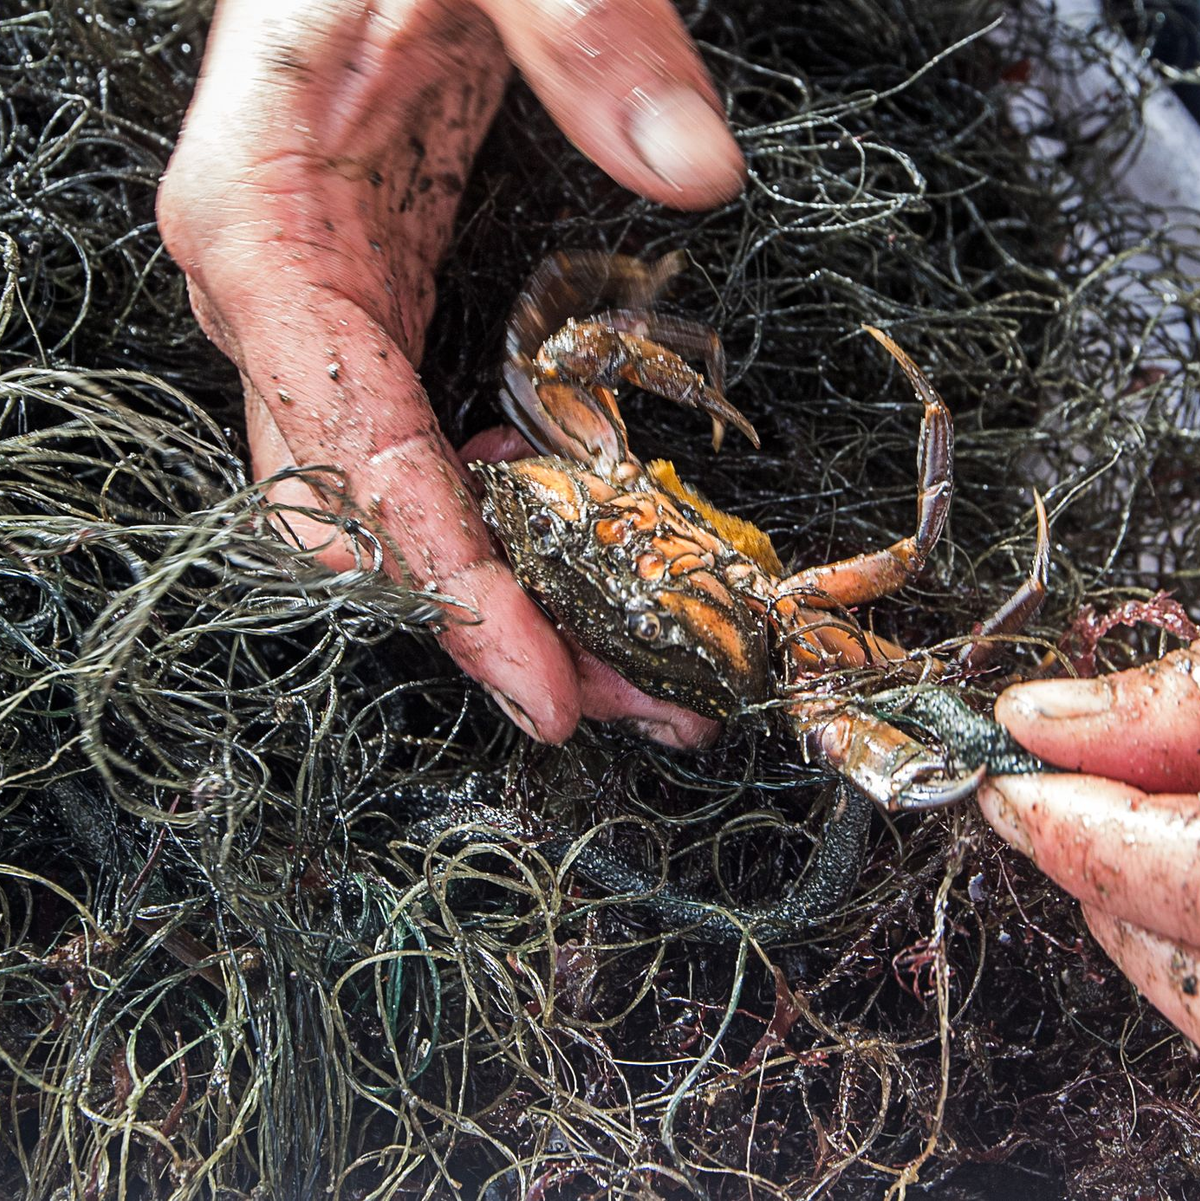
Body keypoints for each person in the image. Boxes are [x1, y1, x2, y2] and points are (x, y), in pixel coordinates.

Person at [158, 0, 1200, 1044]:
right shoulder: (777, 631)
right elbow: (567, 352)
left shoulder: (782, 648)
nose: (638, 559)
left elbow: (566, 355)